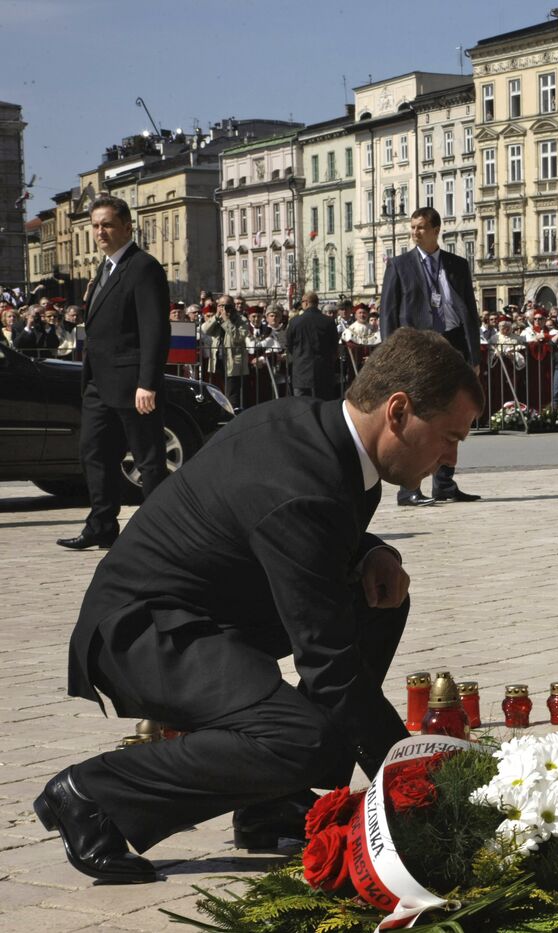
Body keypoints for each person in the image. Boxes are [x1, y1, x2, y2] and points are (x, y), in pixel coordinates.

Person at [38, 329, 483, 884]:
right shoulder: (303, 484)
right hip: (141, 632)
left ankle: (270, 800)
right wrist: (414, 784)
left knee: (380, 599)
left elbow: (298, 535)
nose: (452, 458)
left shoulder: (321, 433)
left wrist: (374, 550)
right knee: (302, 738)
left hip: (208, 610)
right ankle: (91, 794)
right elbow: (329, 668)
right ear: (397, 411)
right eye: (448, 437)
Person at [58, 196, 171, 551]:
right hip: (98, 382)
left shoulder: (143, 267)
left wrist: (147, 383)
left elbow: (155, 329)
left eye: (106, 224)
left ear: (126, 227)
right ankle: (102, 525)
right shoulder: (104, 269)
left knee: (148, 459)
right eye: (94, 225)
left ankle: (158, 534)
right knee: (94, 453)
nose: (99, 232)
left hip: (131, 383)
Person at [379, 206, 482, 507]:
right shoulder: (399, 266)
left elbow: (470, 315)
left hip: (452, 345)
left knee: (453, 414)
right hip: (417, 348)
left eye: (421, 227)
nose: (415, 232)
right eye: (413, 227)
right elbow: (388, 314)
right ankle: (408, 487)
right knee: (417, 418)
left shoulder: (457, 265)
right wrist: (392, 356)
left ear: (436, 230)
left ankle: (445, 483)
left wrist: (473, 356)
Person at [285, 291, 340, 401]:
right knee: (322, 406)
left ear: (305, 303)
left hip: (301, 372)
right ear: (317, 303)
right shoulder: (328, 322)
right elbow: (334, 346)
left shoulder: (295, 322)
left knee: (301, 407)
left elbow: (289, 344)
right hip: (323, 371)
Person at [202, 296, 253, 410]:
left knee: (231, 394)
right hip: (217, 360)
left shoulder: (241, 319)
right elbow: (205, 330)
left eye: (227, 306)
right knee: (217, 392)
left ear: (233, 306)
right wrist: (216, 317)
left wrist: (227, 321)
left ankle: (230, 416)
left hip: (233, 363)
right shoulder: (217, 318)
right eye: (220, 305)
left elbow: (238, 337)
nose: (224, 309)